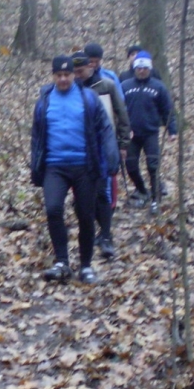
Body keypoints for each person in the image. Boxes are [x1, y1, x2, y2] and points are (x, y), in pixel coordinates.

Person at [31, 55, 119, 284]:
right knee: (53, 209)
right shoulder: (44, 101)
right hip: (54, 165)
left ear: (73, 75)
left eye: (67, 74)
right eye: (58, 75)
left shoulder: (88, 98)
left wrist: (111, 157)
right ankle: (62, 261)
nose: (63, 79)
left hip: (84, 166)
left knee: (86, 215)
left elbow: (105, 128)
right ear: (53, 76)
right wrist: (36, 167)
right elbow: (37, 137)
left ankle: (86, 265)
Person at [72, 52, 130, 259]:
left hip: (104, 146)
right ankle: (95, 231)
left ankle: (106, 235)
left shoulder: (107, 86)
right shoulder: (70, 90)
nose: (77, 76)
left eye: (80, 71)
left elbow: (121, 114)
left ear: (90, 67)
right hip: (79, 148)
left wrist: (123, 143)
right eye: (74, 72)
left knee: (103, 193)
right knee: (82, 197)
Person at [122, 51, 177, 213]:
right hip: (131, 134)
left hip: (150, 133)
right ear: (134, 68)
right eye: (138, 68)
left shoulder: (158, 86)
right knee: (131, 166)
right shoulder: (125, 86)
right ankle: (142, 191)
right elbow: (118, 110)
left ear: (150, 68)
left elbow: (167, 110)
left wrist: (172, 130)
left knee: (153, 166)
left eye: (145, 68)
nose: (141, 71)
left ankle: (155, 200)